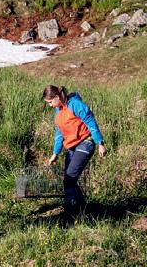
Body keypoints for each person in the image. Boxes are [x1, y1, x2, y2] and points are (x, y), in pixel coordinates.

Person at [44, 85, 106, 217]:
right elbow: (59, 133)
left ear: (57, 97)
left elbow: (90, 121)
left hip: (85, 143)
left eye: (50, 102)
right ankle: (83, 209)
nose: (50, 106)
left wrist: (100, 143)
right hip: (71, 146)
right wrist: (55, 153)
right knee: (69, 180)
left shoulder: (75, 104)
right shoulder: (58, 110)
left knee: (70, 178)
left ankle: (70, 211)